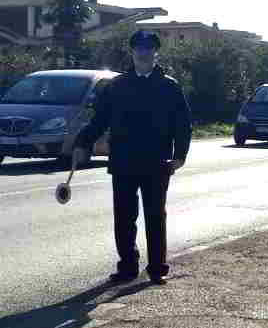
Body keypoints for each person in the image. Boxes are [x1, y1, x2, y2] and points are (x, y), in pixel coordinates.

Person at [73, 30, 192, 286]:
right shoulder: (117, 85)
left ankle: (157, 268)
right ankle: (127, 267)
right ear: (132, 51)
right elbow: (100, 119)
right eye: (139, 48)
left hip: (156, 161)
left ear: (155, 52)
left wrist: (180, 155)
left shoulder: (169, 86)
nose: (143, 52)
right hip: (123, 161)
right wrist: (82, 142)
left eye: (148, 48)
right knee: (124, 217)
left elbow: (183, 124)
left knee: (155, 216)